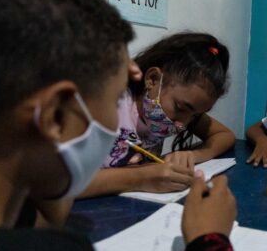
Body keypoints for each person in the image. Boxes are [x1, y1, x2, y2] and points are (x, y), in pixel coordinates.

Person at [0, 0, 236, 250]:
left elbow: (51, 216)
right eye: (112, 100)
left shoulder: (20, 216)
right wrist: (209, 239)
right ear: (55, 115)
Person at [82, 33, 236, 197]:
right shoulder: (104, 106)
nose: (182, 124)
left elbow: (224, 135)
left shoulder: (183, 113)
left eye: (195, 115)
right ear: (153, 79)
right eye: (180, 107)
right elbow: (58, 183)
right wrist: (140, 178)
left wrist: (193, 155)